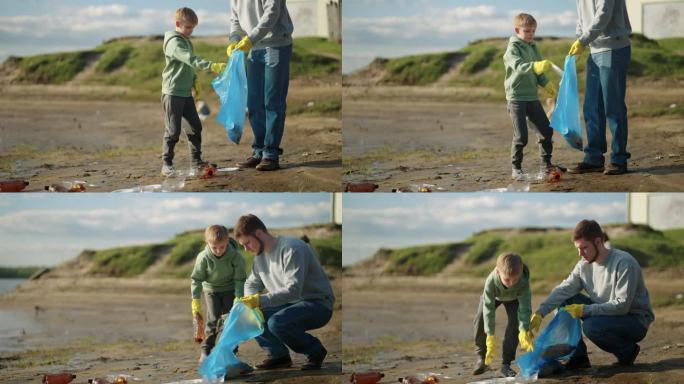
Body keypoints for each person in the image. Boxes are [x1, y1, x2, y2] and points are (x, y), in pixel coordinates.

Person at [529, 219, 654, 371]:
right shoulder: (583, 265)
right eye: (577, 249)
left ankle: (627, 352)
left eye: (584, 248)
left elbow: (622, 306)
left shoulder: (624, 263)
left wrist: (585, 310)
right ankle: (578, 358)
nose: (580, 253)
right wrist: (540, 312)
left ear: (599, 241)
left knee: (591, 327)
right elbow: (563, 289)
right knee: (565, 299)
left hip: (634, 320)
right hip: (606, 313)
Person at [234, 214, 335, 370]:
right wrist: (250, 301)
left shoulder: (292, 248)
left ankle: (315, 351)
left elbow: (293, 291)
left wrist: (259, 301)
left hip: (318, 304)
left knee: (276, 322)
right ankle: (279, 356)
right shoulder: (259, 258)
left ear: (259, 234)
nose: (246, 249)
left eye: (247, 243)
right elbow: (252, 283)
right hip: (288, 305)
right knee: (252, 317)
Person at [226, 0, 294, 171]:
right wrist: (235, 39)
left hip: (276, 45)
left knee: (273, 102)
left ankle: (271, 154)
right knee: (254, 103)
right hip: (255, 48)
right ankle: (259, 151)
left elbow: (272, 14)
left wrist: (250, 39)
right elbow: (235, 20)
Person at [566, 0, 632, 175]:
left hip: (613, 48)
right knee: (592, 107)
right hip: (594, 50)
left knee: (613, 107)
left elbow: (604, 13)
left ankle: (619, 159)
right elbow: (581, 18)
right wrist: (580, 39)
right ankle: (594, 158)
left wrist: (583, 40)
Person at [161, 7, 225, 176]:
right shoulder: (174, 42)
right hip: (172, 92)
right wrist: (211, 66)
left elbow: (187, 66)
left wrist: (194, 80)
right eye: (188, 27)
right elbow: (189, 59)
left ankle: (196, 162)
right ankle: (166, 164)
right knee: (173, 130)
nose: (190, 31)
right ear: (178, 24)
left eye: (192, 28)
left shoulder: (186, 40)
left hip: (185, 93)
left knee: (195, 127)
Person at [503, 13, 565, 181]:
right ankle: (516, 168)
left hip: (532, 97)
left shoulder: (533, 47)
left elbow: (539, 72)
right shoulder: (512, 49)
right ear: (517, 30)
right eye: (527, 31)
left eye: (533, 31)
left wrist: (547, 84)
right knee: (521, 135)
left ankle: (546, 165)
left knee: (546, 130)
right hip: (516, 98)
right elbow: (519, 67)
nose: (531, 34)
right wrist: (536, 65)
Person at [472, 252, 534, 377]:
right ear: (498, 272)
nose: (511, 283)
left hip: (514, 299)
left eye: (515, 279)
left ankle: (506, 364)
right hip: (494, 297)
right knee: (480, 319)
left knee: (515, 324)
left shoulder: (523, 281)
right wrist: (490, 334)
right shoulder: (490, 281)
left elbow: (525, 308)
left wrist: (524, 329)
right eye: (507, 279)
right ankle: (482, 359)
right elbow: (488, 310)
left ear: (521, 272)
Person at [191, 225, 246, 363]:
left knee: (230, 321)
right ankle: (206, 351)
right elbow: (196, 280)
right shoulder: (203, 258)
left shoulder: (236, 256)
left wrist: (239, 299)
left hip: (230, 290)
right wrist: (195, 302)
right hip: (211, 291)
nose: (218, 251)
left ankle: (230, 353)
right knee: (213, 319)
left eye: (222, 247)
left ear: (227, 241)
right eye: (214, 247)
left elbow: (240, 279)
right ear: (207, 243)